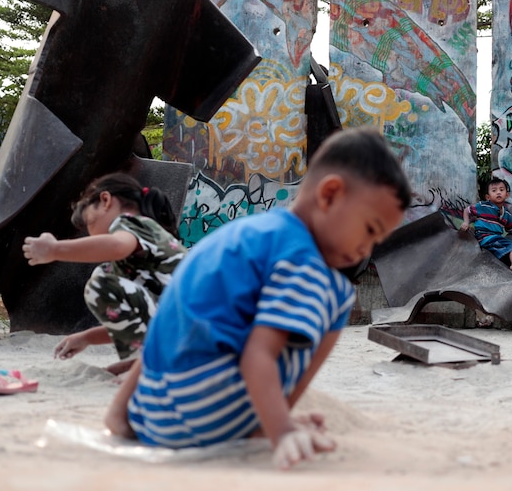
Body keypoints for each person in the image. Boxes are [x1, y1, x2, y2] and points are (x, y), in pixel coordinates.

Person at [104, 128, 411, 470]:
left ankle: (259, 415)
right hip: (204, 413)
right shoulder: (302, 260)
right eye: (369, 229)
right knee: (339, 296)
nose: (365, 250)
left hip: (150, 413)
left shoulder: (246, 234)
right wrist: (281, 431)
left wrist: (120, 412)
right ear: (330, 195)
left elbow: (168, 320)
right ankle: (270, 421)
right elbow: (258, 355)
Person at [22, 173, 186, 375]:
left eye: (89, 223)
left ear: (105, 200)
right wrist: (86, 337)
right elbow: (138, 324)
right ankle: (139, 363)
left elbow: (117, 246)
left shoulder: (131, 222)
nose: (91, 234)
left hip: (189, 325)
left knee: (102, 280)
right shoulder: (147, 254)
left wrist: (55, 250)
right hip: (197, 328)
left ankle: (142, 365)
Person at [460, 177, 512, 281]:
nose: (498, 192)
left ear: (507, 195)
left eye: (501, 190)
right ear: (488, 196)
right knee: (511, 245)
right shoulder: (483, 206)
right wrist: (466, 222)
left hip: (496, 239)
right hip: (484, 237)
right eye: (494, 191)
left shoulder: (506, 214)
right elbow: (467, 211)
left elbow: (510, 229)